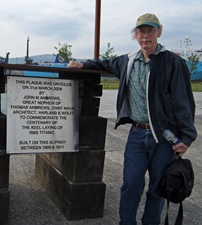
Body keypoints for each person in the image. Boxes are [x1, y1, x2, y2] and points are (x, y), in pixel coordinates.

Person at [68, 13, 197, 225]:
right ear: (135, 35)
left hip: (164, 137)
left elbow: (183, 101)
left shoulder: (173, 62)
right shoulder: (128, 61)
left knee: (157, 188)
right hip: (137, 135)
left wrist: (187, 136)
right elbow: (105, 63)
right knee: (130, 184)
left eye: (150, 31)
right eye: (141, 31)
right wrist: (81, 65)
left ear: (159, 32)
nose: (146, 35)